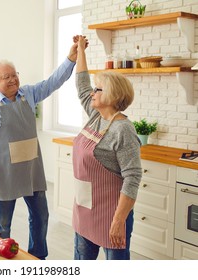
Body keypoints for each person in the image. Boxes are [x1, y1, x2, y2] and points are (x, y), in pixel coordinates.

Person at [0, 36, 84, 260]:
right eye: (6, 77)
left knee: (41, 217)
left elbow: (53, 82)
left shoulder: (28, 93)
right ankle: (1, 261)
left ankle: (38, 257)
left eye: (14, 75)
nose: (12, 80)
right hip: (3, 173)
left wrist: (71, 58)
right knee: (3, 225)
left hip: (31, 170)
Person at [72, 35, 142, 260]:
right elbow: (82, 84)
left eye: (99, 89)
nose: (93, 92)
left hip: (112, 214)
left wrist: (118, 220)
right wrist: (80, 50)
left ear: (112, 96)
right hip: (84, 209)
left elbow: (132, 177)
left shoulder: (123, 130)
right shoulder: (95, 115)